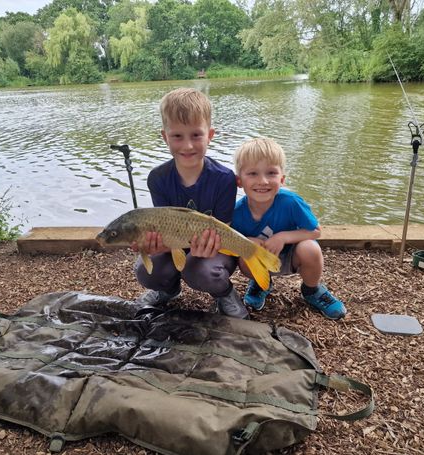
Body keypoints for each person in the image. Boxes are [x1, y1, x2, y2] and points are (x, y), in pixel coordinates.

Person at [133, 87, 249, 319]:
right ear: (165, 137)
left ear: (210, 135)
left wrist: (207, 247)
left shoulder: (224, 178)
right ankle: (167, 290)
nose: (187, 146)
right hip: (175, 243)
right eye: (177, 136)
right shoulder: (158, 178)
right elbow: (163, 228)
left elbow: (223, 230)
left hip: (214, 246)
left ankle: (224, 293)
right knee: (145, 269)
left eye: (196, 135)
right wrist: (154, 245)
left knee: (202, 270)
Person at [231, 137, 346, 320]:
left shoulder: (291, 202)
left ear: (282, 179)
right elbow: (229, 240)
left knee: (310, 248)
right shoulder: (236, 212)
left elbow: (316, 231)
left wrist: (283, 237)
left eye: (271, 173)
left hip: (292, 255)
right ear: (239, 181)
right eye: (252, 173)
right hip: (263, 259)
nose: (263, 181)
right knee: (246, 254)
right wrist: (247, 241)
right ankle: (261, 284)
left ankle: (312, 290)